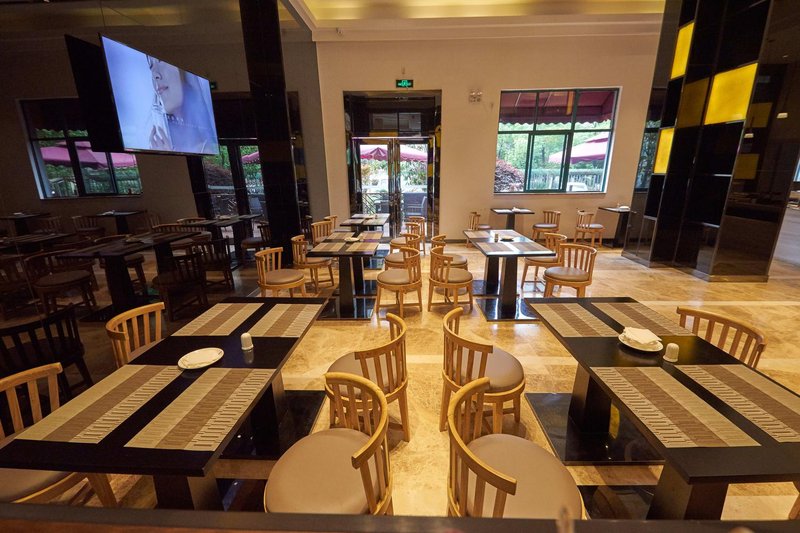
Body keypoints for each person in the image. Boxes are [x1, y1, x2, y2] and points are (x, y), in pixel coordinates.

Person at [147, 57, 217, 154]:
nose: (155, 74)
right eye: (151, 66)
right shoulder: (163, 140)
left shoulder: (209, 149)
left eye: (161, 61)